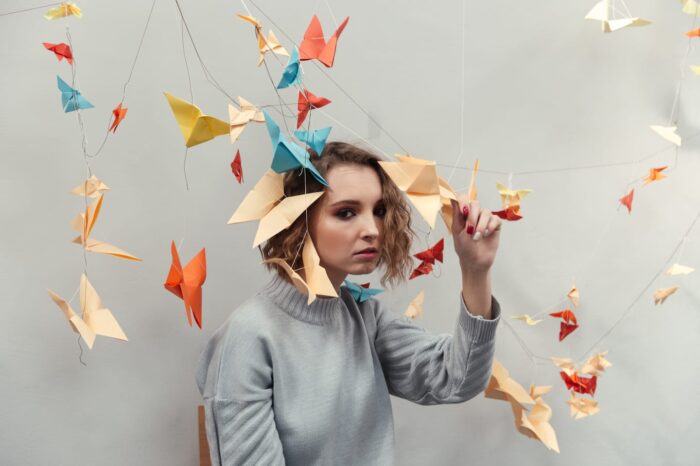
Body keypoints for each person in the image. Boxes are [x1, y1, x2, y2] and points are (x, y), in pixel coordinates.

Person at [196, 141, 502, 465]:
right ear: (299, 220)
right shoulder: (248, 337)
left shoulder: (364, 315)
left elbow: (456, 379)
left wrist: (475, 270)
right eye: (345, 213)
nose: (372, 230)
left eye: (379, 211)